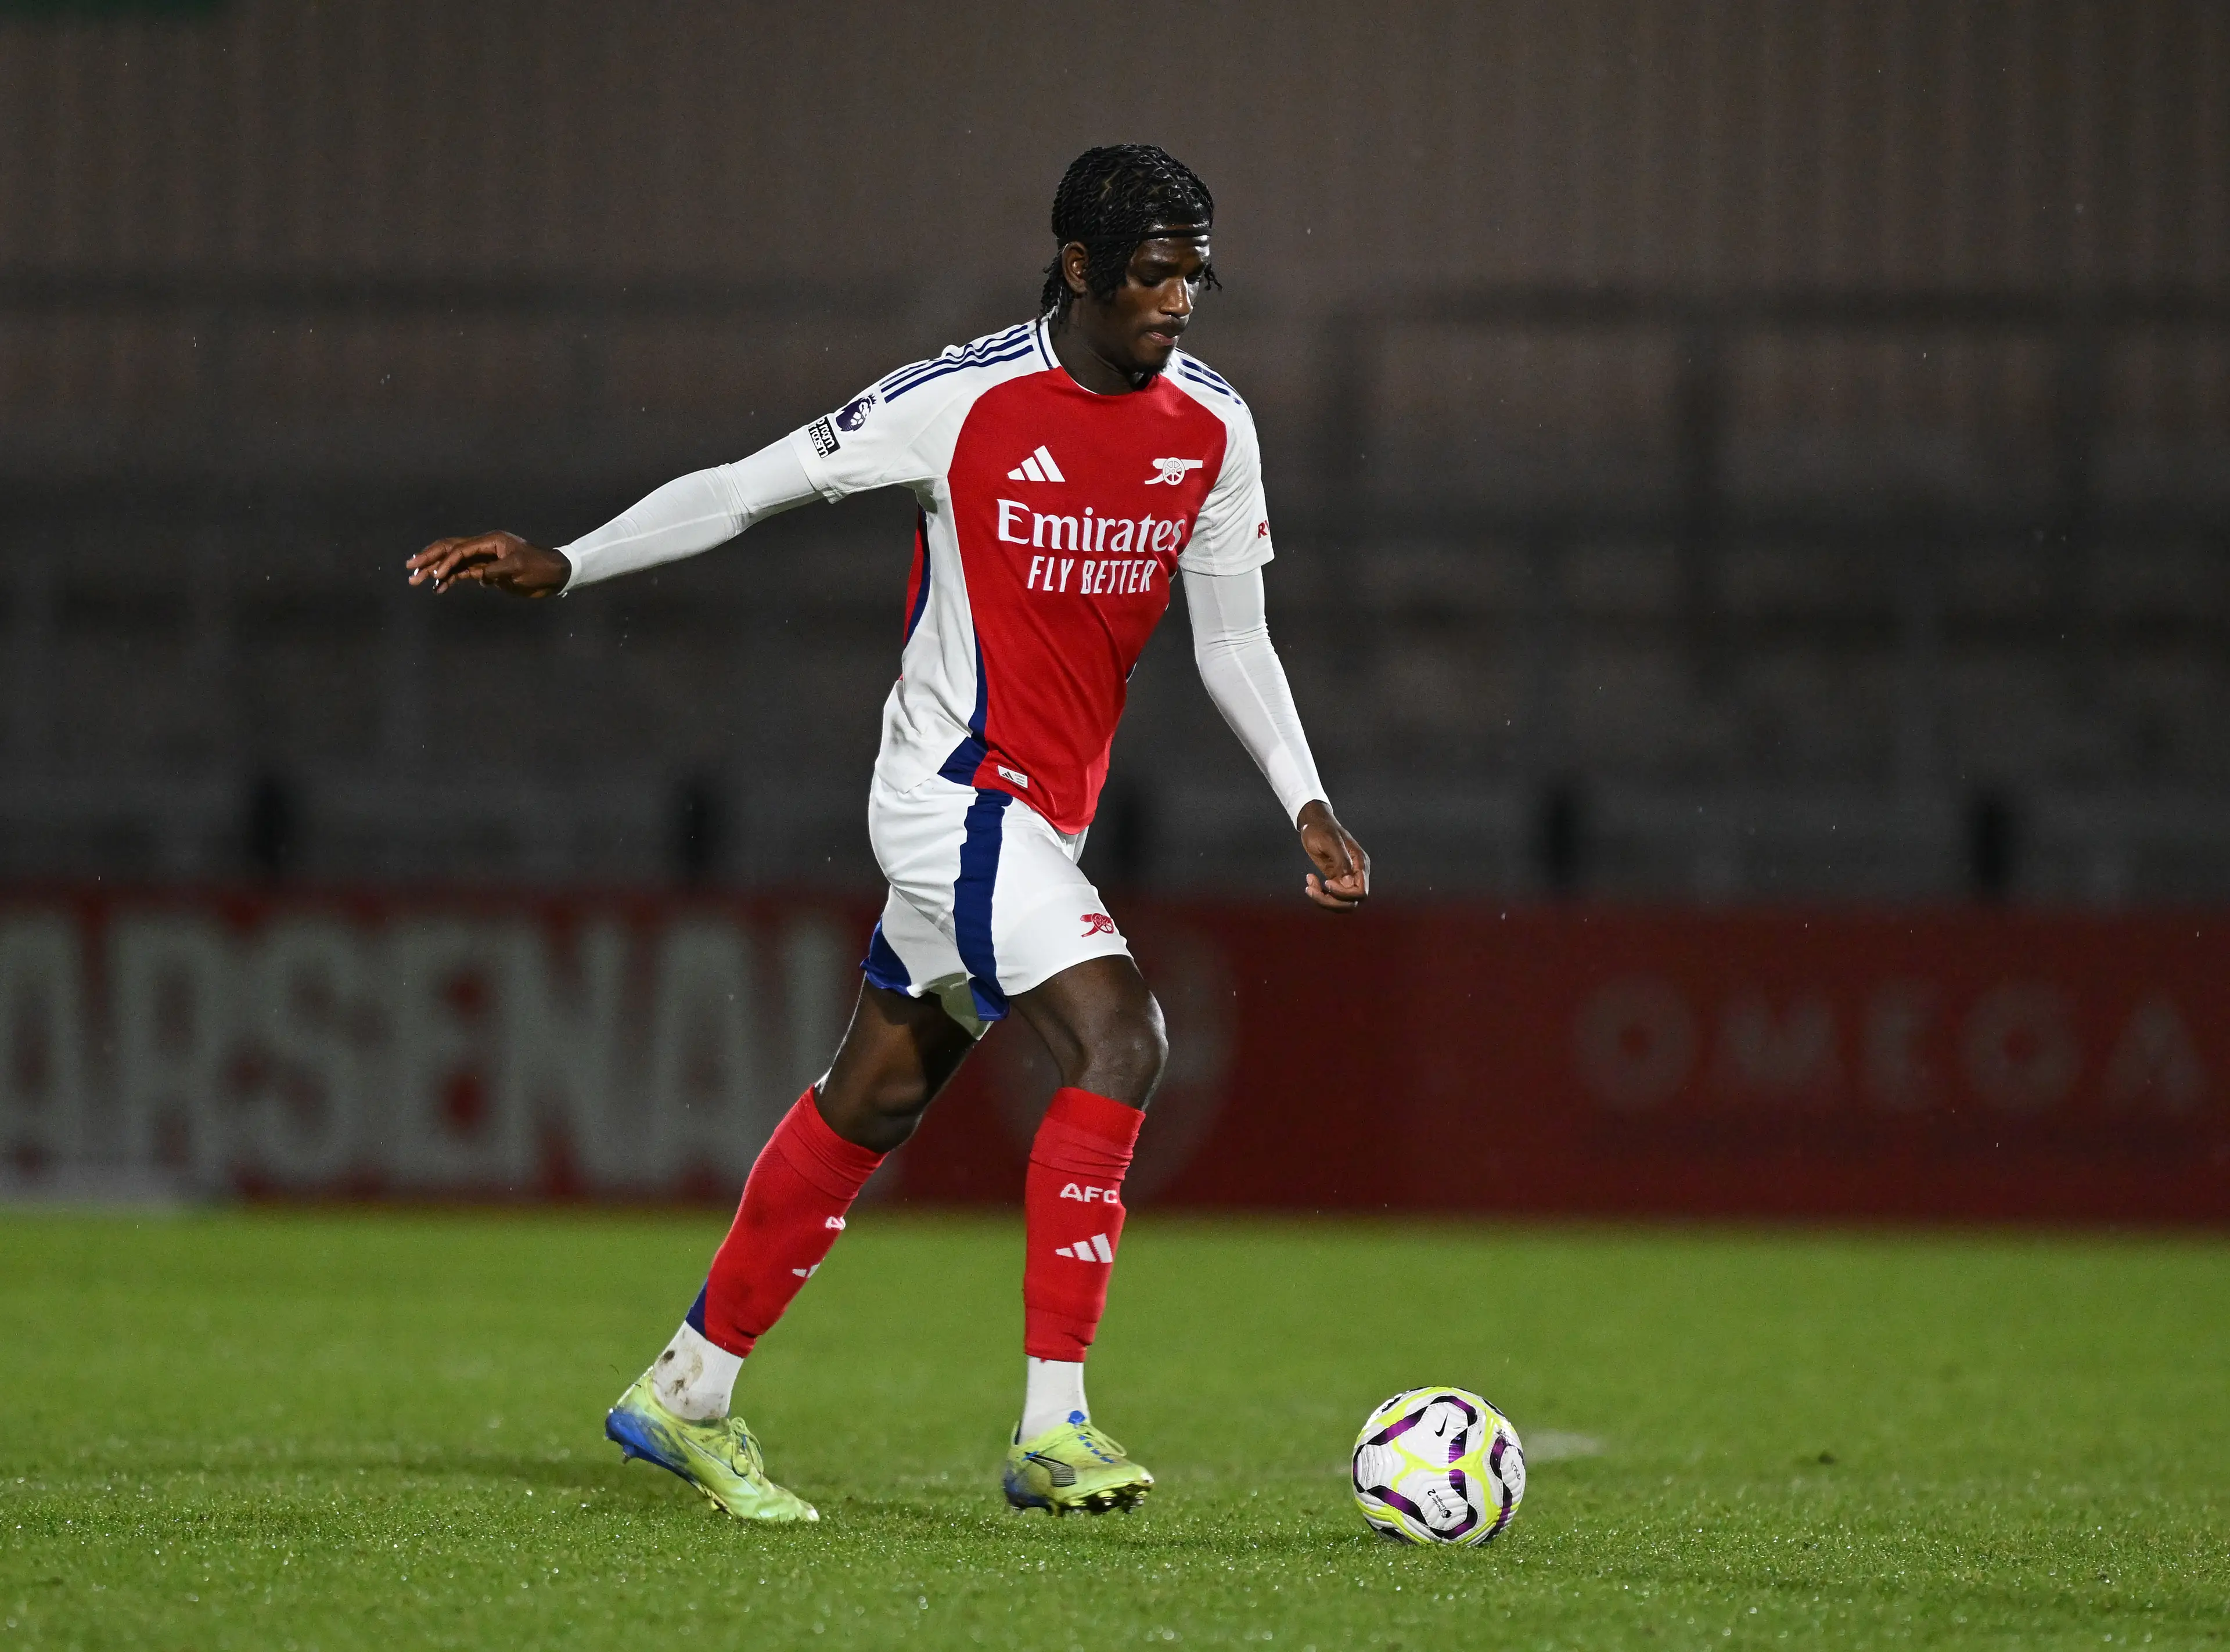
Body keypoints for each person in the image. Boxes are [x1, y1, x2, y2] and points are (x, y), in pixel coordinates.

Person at [405, 144, 1369, 1523]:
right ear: (1083, 268)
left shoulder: (1214, 426)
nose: (1178, 305)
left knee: (873, 1098)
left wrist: (1308, 799)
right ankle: (1058, 1424)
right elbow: (745, 488)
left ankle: (684, 1391)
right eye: (1153, 276)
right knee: (1123, 1037)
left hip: (1045, 821)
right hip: (952, 796)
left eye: (1195, 278)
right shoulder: (960, 400)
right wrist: (572, 563)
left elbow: (1234, 638)